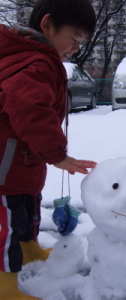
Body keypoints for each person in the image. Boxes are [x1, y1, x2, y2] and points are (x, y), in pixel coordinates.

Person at [0, 0, 96, 298]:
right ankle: (4, 286)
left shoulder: (37, 58)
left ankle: (28, 249)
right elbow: (32, 110)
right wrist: (57, 155)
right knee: (6, 228)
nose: (76, 48)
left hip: (24, 161)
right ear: (48, 25)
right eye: (75, 38)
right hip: (6, 168)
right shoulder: (36, 62)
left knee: (26, 212)